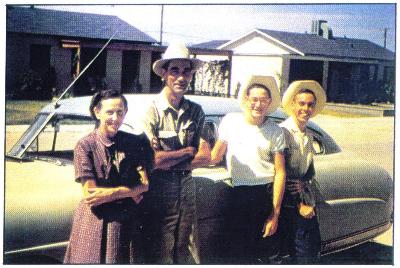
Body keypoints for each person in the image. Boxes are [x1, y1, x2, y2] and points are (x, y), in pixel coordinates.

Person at [64, 89, 153, 264]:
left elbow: (144, 185)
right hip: (94, 223)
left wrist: (111, 194)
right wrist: (129, 192)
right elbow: (92, 195)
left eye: (120, 112)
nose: (116, 118)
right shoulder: (85, 146)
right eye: (109, 112)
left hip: (125, 222)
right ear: (97, 112)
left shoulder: (132, 142)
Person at [141, 42, 209, 264]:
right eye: (175, 71)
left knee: (185, 248)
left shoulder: (196, 111)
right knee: (161, 249)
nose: (181, 77)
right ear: (163, 73)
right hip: (160, 190)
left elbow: (205, 156)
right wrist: (189, 151)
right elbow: (153, 160)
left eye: (186, 71)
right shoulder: (151, 110)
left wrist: (170, 158)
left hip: (187, 189)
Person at [209, 75, 286, 263]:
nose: (258, 105)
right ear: (246, 99)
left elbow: (280, 172)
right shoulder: (230, 121)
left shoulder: (275, 131)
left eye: (263, 100)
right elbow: (214, 157)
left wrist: (274, 214)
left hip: (264, 193)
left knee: (263, 253)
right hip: (238, 193)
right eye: (254, 99)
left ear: (269, 103)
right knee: (235, 251)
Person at [278, 80, 326, 264]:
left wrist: (306, 191)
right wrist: (300, 205)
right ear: (292, 105)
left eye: (310, 105)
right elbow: (283, 175)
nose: (305, 109)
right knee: (298, 255)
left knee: (311, 252)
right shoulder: (282, 132)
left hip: (305, 203)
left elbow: (307, 173)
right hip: (288, 206)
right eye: (301, 103)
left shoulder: (309, 135)